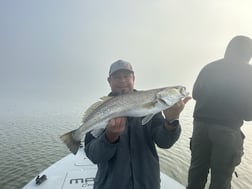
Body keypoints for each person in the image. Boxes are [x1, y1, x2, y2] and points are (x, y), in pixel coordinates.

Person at [84, 59, 191, 189]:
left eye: (126, 76)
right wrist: (109, 138)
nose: (122, 80)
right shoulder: (101, 109)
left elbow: (164, 142)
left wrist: (172, 120)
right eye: (117, 77)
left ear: (133, 78)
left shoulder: (152, 106)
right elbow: (94, 156)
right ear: (109, 81)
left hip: (147, 184)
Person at [187, 35, 252, 189]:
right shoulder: (249, 73)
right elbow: (249, 115)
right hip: (227, 132)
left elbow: (195, 94)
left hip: (200, 128)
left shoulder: (209, 67)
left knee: (196, 172)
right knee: (221, 179)